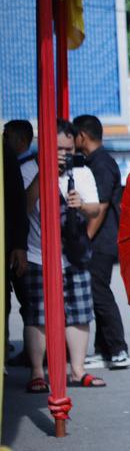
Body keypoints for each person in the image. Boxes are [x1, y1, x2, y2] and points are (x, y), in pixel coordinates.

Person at [20, 119, 104, 391]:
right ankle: (37, 373)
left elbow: (95, 210)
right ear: (43, 144)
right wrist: (43, 176)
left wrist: (81, 205)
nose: (65, 155)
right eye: (58, 149)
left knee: (79, 314)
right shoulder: (28, 169)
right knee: (38, 317)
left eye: (68, 149)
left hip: (73, 255)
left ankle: (78, 371)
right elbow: (21, 208)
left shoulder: (82, 171)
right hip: (37, 255)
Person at [73, 115, 130, 370]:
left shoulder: (102, 164)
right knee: (97, 293)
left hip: (101, 240)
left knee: (100, 294)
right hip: (99, 240)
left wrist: (85, 238)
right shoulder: (94, 162)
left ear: (82, 136)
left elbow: (103, 206)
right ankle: (103, 350)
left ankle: (119, 349)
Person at [4, 122, 30, 359]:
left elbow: (16, 204)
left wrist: (18, 245)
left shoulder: (9, 157)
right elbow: (18, 205)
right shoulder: (9, 156)